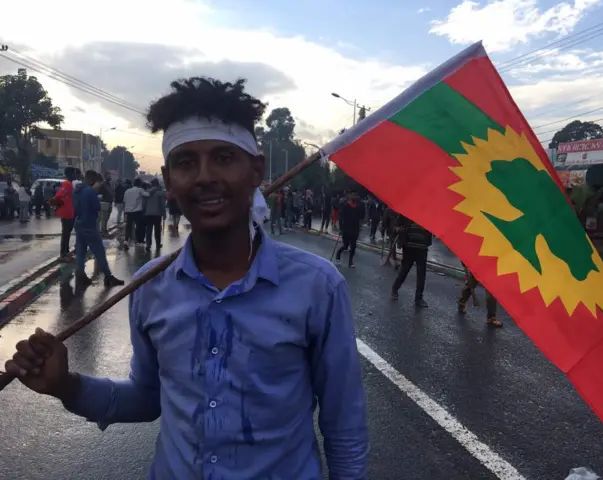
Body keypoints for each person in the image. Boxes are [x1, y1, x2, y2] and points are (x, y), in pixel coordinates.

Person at [4, 76, 369, 479]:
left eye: (224, 158)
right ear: (169, 182)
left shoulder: (317, 286)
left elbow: (344, 425)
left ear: (256, 170)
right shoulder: (150, 286)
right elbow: (147, 399)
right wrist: (66, 386)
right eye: (185, 162)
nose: (204, 177)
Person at [72, 170, 124, 287]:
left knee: (80, 251)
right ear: (92, 180)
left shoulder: (76, 190)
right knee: (99, 251)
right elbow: (96, 207)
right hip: (89, 224)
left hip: (79, 223)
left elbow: (75, 206)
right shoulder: (90, 191)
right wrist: (96, 197)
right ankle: (108, 276)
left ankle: (80, 275)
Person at [391, 214, 431, 307]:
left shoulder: (428, 215)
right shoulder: (406, 213)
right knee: (404, 271)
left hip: (422, 249)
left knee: (421, 275)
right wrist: (398, 229)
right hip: (409, 248)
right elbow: (394, 227)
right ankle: (395, 289)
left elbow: (434, 229)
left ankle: (419, 298)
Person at [50, 167, 76, 262]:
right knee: (65, 234)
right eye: (74, 174)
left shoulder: (69, 184)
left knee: (67, 233)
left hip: (70, 212)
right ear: (69, 174)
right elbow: (58, 196)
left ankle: (66, 252)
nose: (75, 176)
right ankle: (63, 254)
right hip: (66, 213)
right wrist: (57, 206)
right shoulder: (67, 184)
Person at [335, 188, 363, 268]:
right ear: (350, 196)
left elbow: (360, 217)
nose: (355, 196)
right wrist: (341, 228)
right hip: (346, 229)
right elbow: (341, 218)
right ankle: (338, 254)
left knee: (353, 246)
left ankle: (350, 261)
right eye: (353, 195)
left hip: (355, 229)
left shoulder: (358, 207)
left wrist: (360, 226)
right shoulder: (345, 206)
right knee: (346, 246)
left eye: (356, 195)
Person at [142, 178, 165, 251]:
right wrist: (164, 213)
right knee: (157, 230)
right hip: (157, 214)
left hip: (148, 213)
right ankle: (158, 244)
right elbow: (162, 204)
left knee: (148, 229)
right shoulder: (160, 192)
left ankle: (148, 244)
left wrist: (143, 212)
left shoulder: (147, 192)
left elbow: (144, 204)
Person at [122, 178, 145, 249]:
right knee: (138, 226)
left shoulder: (127, 191)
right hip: (137, 212)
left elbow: (124, 200)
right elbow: (147, 195)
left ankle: (126, 241)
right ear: (140, 184)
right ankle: (137, 241)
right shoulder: (140, 190)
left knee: (128, 227)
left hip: (128, 212)